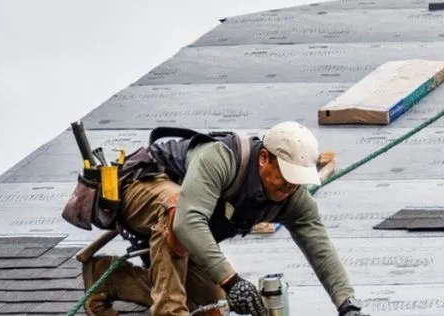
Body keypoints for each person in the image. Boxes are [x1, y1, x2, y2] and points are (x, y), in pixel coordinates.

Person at [80, 121, 369, 316]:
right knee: (176, 209)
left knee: (209, 308)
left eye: (296, 182)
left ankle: (111, 280)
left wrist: (348, 304)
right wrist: (232, 281)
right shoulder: (220, 159)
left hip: (182, 228)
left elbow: (320, 246)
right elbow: (187, 221)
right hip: (143, 188)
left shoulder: (291, 194)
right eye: (285, 178)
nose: (289, 188)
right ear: (264, 158)